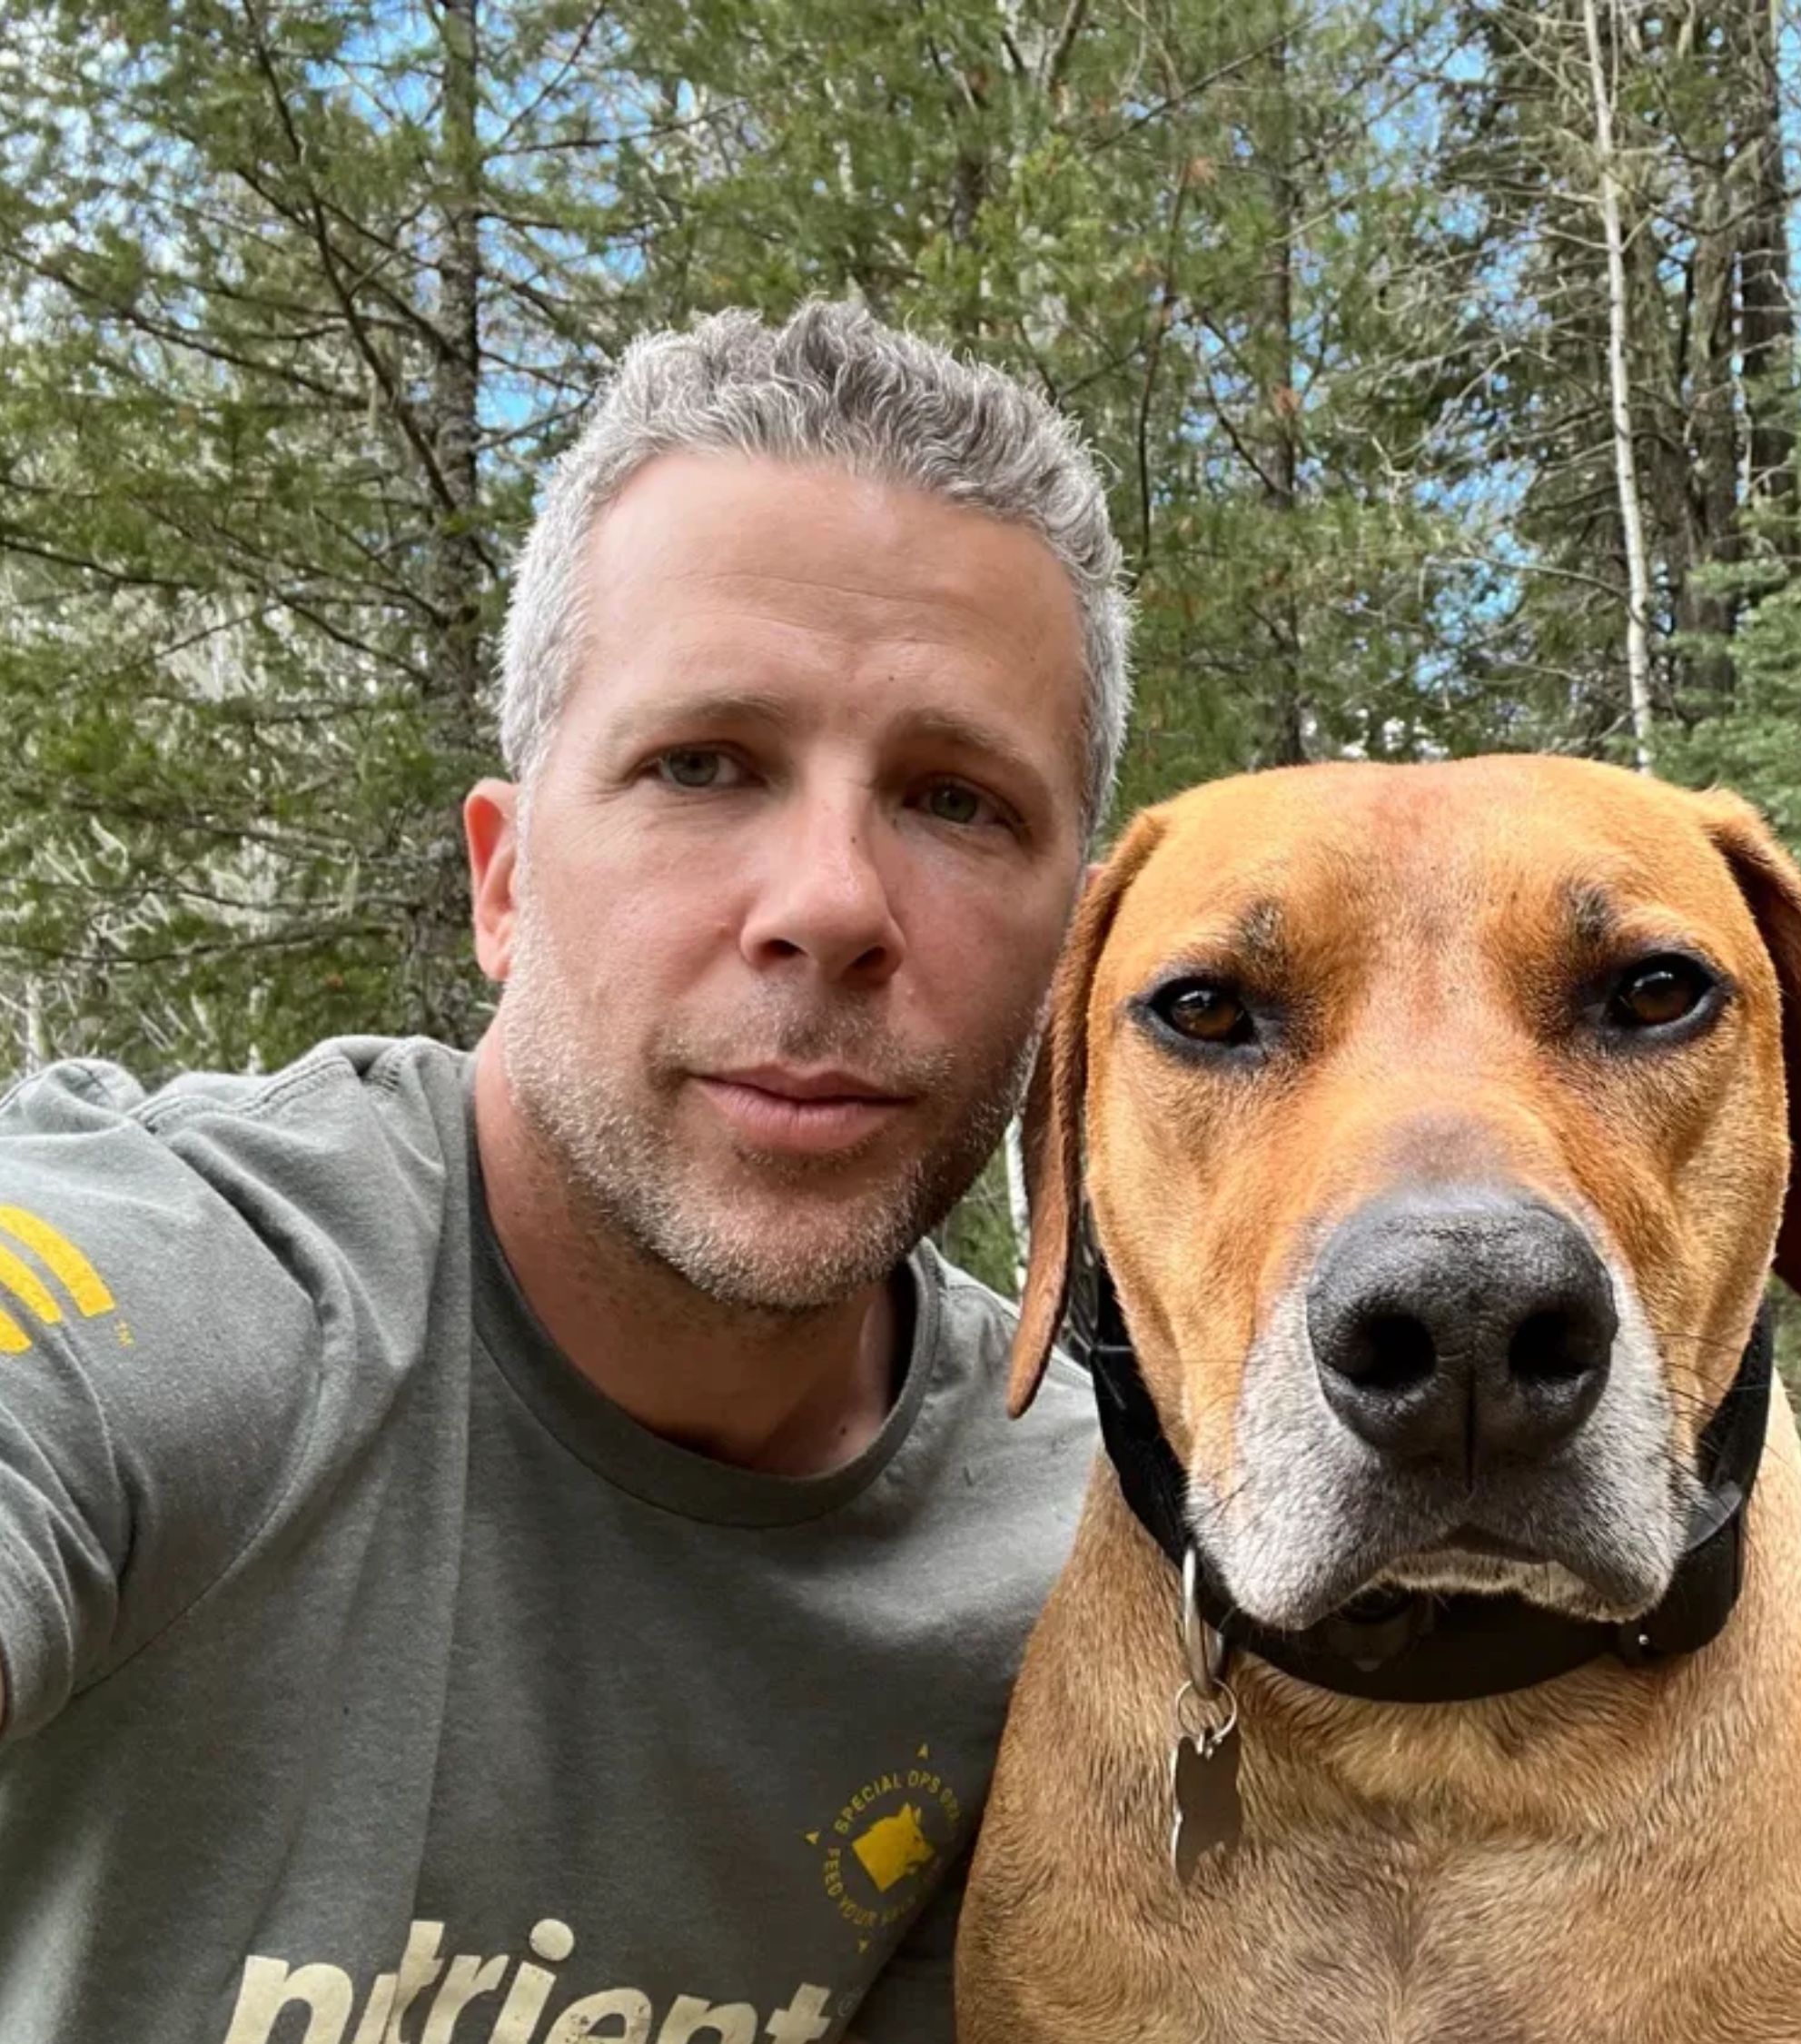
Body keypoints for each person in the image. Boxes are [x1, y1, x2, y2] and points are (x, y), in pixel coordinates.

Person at [0, 302, 1128, 2043]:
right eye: (703, 764)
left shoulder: (1081, 1558)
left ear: (1072, 942)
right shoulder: (204, 1296)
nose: (828, 901)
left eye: (958, 799)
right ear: (505, 880)